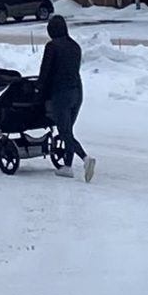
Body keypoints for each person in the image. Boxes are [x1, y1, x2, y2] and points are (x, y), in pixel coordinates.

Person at [38, 13, 95, 182]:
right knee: (68, 130)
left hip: (61, 93)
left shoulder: (52, 46)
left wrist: (38, 91)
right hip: (77, 91)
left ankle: (85, 159)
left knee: (64, 132)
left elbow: (45, 73)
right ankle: (67, 166)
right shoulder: (75, 46)